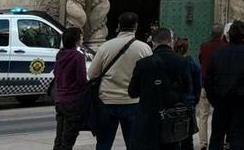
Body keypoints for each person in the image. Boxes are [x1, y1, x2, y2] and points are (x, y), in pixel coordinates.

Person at [89, 11, 153, 150]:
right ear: (136, 26)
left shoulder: (105, 47)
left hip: (107, 101)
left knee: (104, 143)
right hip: (132, 102)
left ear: (119, 26)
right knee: (133, 143)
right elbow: (150, 76)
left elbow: (92, 74)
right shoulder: (144, 49)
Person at [128, 27, 193, 150]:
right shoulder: (182, 62)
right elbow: (188, 89)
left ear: (153, 42)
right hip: (173, 119)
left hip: (148, 118)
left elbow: (132, 92)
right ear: (171, 42)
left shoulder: (143, 63)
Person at [205, 20, 244, 150]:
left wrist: (214, 99)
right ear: (243, 36)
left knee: (217, 137)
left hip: (221, 102)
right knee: (239, 139)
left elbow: (208, 79)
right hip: (241, 104)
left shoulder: (218, 54)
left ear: (228, 36)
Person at [52, 26, 87, 150]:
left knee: (60, 137)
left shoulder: (60, 54)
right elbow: (82, 80)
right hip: (73, 100)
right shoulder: (78, 56)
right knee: (68, 138)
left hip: (60, 99)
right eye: (81, 38)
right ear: (76, 40)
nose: (82, 40)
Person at [197, 24, 227, 150]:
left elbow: (200, 60)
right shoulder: (225, 47)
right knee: (221, 114)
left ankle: (203, 143)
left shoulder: (204, 47)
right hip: (220, 87)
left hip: (205, 85)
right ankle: (222, 140)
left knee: (203, 115)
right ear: (222, 34)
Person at [175, 39, 202, 150]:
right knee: (188, 137)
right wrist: (194, 100)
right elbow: (198, 86)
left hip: (174, 103)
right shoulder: (193, 64)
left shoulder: (173, 63)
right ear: (187, 49)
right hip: (188, 103)